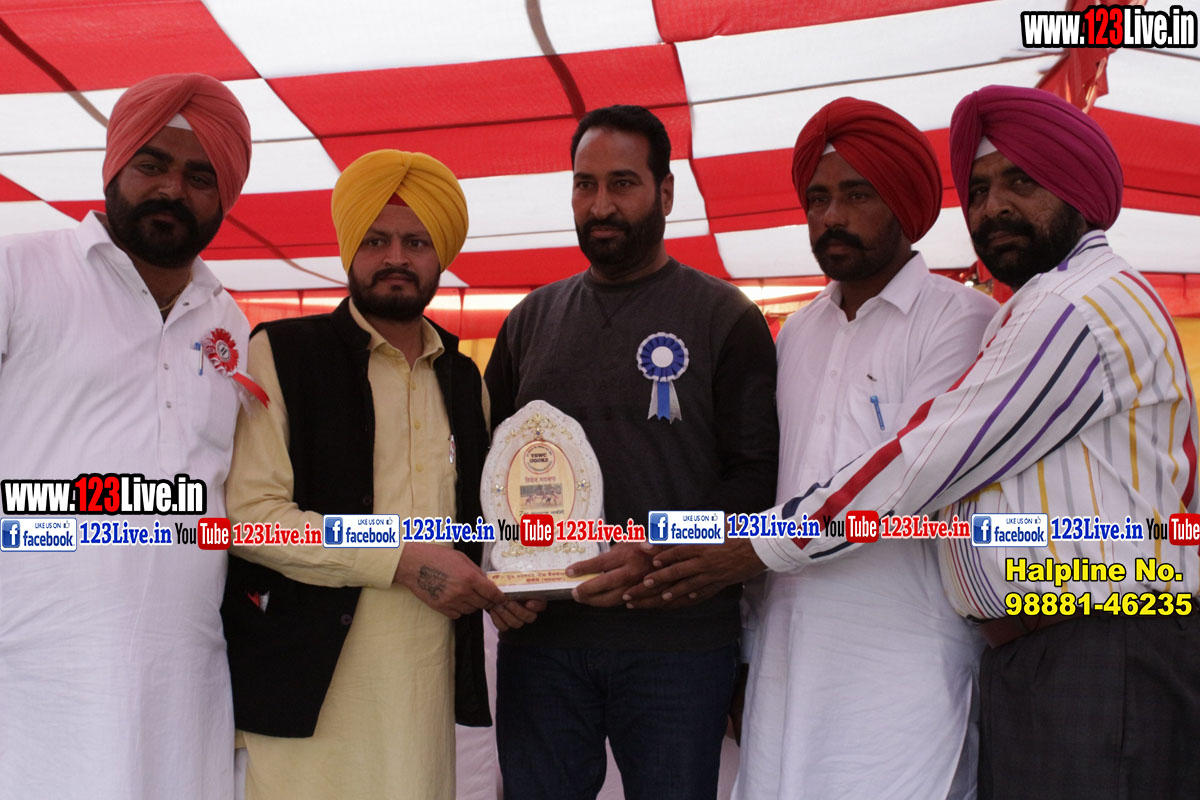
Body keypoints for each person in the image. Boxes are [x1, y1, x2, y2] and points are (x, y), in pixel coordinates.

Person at [635, 85, 1200, 800]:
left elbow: (921, 465)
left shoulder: (1059, 307)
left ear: (1076, 187)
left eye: (1022, 182)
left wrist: (751, 548)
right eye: (980, 189)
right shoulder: (804, 330)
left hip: (1081, 644)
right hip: (1023, 649)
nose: (994, 207)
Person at [221, 149, 536, 800]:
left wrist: (514, 581)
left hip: (422, 687)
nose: (396, 257)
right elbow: (251, 519)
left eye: (416, 242)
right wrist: (399, 561)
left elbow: (479, 523)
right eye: (376, 240)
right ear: (349, 249)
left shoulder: (463, 378)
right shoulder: (282, 353)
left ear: (441, 254)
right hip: (307, 688)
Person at [485, 104, 779, 800]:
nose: (600, 205)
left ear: (665, 192)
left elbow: (756, 481)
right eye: (584, 185)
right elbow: (487, 473)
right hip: (544, 641)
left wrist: (655, 548)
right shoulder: (528, 321)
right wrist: (498, 574)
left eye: (622, 183)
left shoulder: (726, 318)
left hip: (677, 641)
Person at [733, 97, 996, 800]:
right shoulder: (797, 332)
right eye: (817, 199)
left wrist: (747, 550)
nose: (831, 216)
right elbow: (780, 485)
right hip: (787, 648)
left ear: (904, 203)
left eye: (857, 195)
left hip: (904, 655)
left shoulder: (964, 321)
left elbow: (911, 477)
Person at [0, 73, 252, 798]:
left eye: (200, 176)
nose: (172, 188)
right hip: (34, 666)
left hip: (184, 673)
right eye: (153, 163)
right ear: (114, 167)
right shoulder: (19, 271)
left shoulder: (229, 322)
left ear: (224, 197)